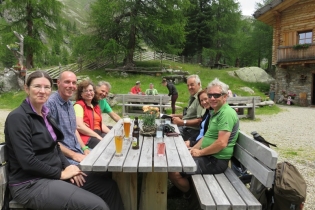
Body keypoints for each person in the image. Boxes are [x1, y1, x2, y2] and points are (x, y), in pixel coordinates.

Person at [5, 70, 124, 210]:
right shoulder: (18, 118)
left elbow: (55, 146)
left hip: (52, 174)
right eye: (37, 86)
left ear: (51, 89)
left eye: (46, 87)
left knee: (109, 187)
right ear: (27, 88)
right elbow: (27, 161)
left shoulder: (45, 114)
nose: (42, 91)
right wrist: (61, 174)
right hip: (30, 183)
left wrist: (68, 166)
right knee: (98, 206)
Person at [168, 78, 240, 201]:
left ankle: (191, 195)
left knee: (173, 170)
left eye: (216, 95)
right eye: (210, 95)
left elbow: (222, 143)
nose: (212, 98)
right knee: (174, 159)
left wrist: (200, 152)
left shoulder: (226, 113)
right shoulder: (216, 112)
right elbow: (207, 137)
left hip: (216, 160)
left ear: (224, 97)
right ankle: (186, 190)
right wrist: (192, 149)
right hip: (209, 156)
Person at [74, 79, 110, 149]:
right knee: (107, 145)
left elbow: (100, 124)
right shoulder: (79, 106)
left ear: (94, 92)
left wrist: (111, 134)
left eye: (91, 90)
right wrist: (96, 136)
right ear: (81, 94)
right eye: (85, 91)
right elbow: (79, 126)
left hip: (97, 133)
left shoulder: (95, 106)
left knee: (113, 138)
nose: (89, 93)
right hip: (87, 137)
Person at [171, 75, 204, 145]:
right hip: (185, 128)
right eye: (188, 85)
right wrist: (174, 115)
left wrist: (182, 122)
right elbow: (189, 115)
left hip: (192, 131)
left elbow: (199, 121)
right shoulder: (193, 96)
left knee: (170, 138)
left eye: (192, 85)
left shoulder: (201, 98)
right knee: (165, 129)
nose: (189, 87)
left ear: (199, 84)